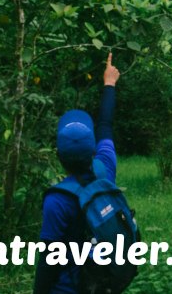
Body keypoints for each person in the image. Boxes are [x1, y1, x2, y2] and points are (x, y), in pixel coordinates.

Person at [34, 52, 120, 294]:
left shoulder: (57, 200)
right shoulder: (105, 170)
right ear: (93, 149)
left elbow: (49, 260)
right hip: (101, 284)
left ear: (58, 156)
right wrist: (109, 84)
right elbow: (105, 125)